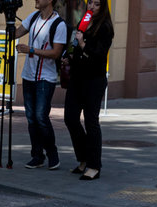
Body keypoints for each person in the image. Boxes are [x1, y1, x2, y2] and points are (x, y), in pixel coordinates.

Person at [63, 0, 113, 180]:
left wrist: (83, 44)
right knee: (70, 118)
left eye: (97, 4)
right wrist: (69, 57)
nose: (91, 6)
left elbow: (99, 54)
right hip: (77, 78)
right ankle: (83, 158)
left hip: (94, 80)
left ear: (103, 7)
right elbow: (74, 46)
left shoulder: (105, 27)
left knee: (91, 122)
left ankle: (94, 165)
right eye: (90, 2)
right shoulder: (83, 22)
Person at [15, 0, 67, 171]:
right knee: (31, 119)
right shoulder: (33, 17)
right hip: (29, 76)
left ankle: (53, 155)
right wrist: (8, 17)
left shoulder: (59, 24)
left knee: (41, 117)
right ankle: (37, 156)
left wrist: (31, 50)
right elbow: (15, 34)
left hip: (46, 77)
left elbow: (56, 53)